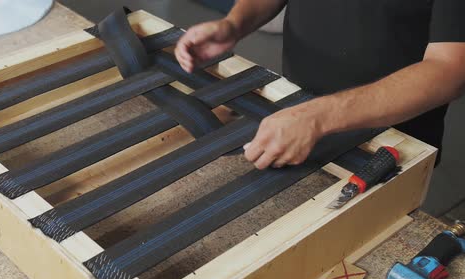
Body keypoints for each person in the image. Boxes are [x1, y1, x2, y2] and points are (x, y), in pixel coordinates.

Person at [175, 0, 465, 169]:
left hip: (388, 142)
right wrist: (235, 23)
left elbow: (450, 69)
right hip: (294, 111)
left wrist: (319, 117)